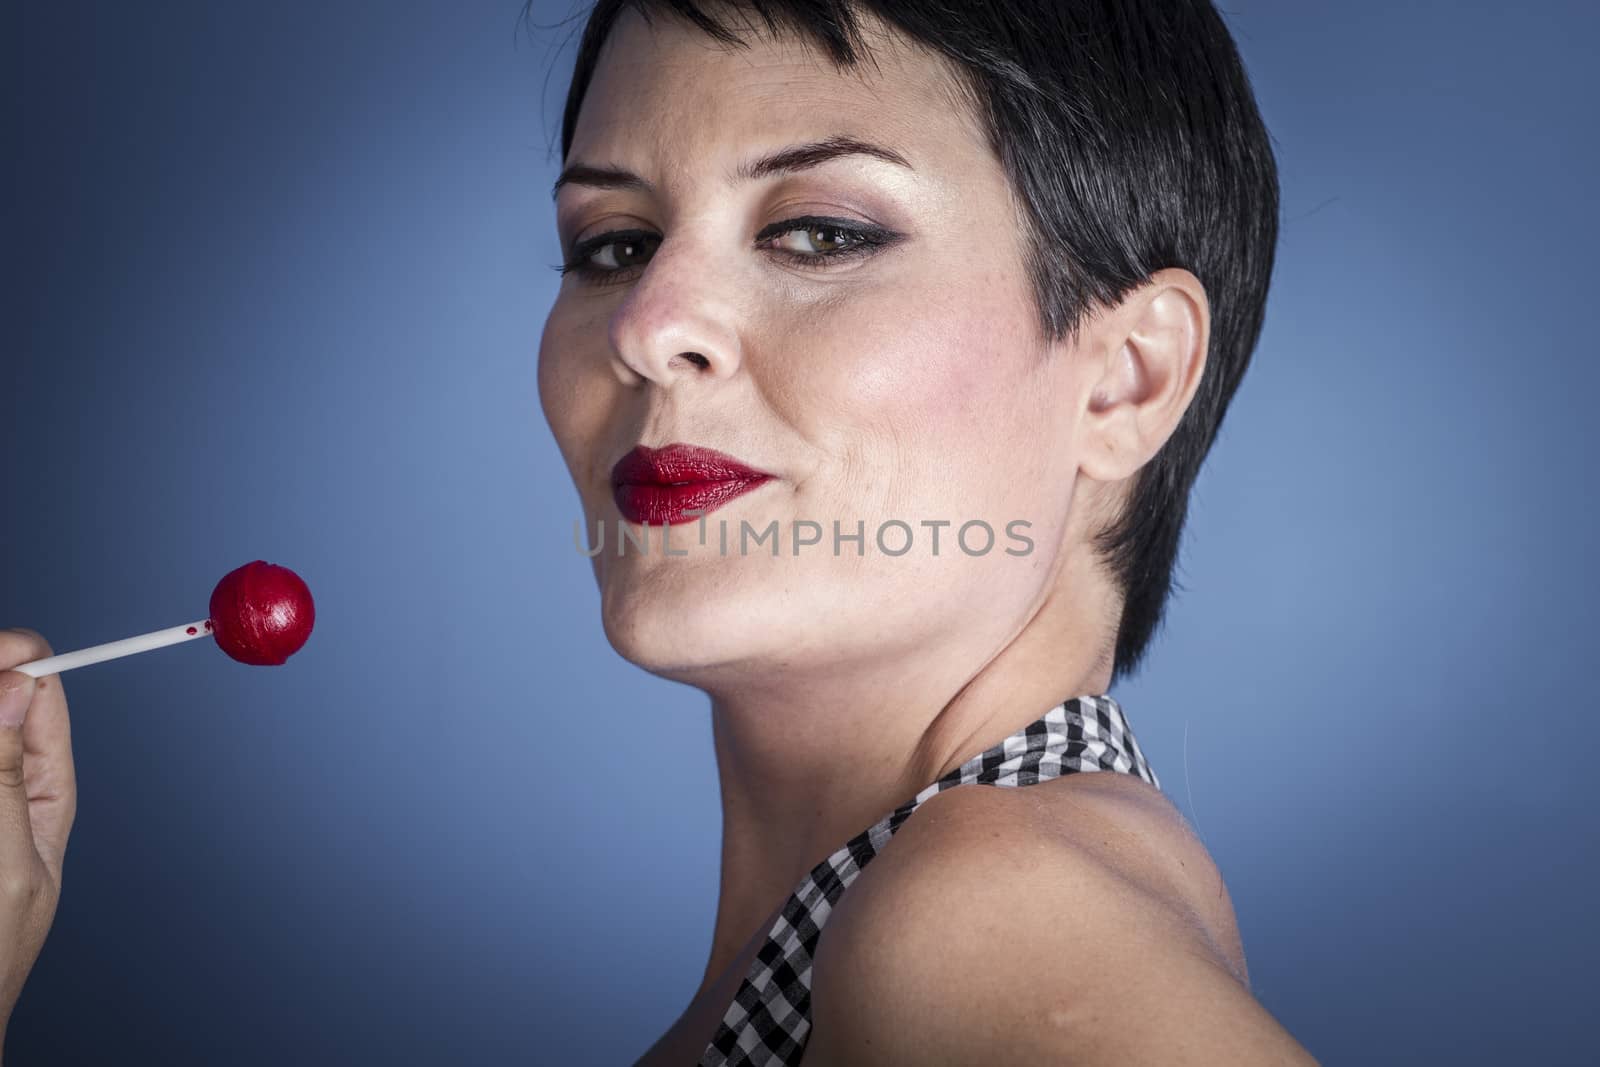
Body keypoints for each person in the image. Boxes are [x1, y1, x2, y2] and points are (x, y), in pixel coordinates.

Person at [538, 0, 1316, 1063]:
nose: (648, 325)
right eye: (615, 244)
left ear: (1126, 377)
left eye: (820, 232)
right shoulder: (907, 927)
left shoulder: (989, 917)